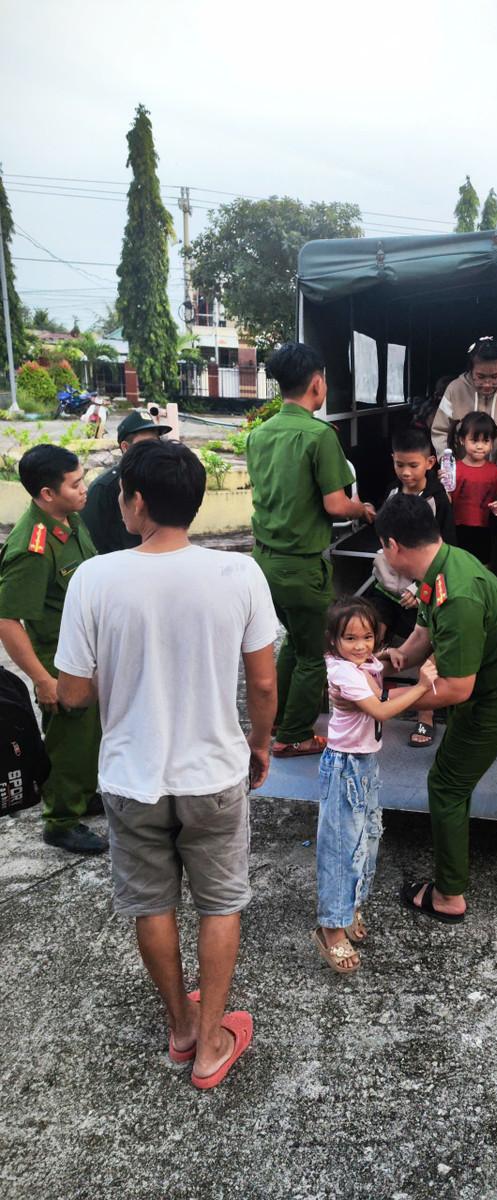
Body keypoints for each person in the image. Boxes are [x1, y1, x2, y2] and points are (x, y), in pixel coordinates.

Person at [55, 439, 279, 1089]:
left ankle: (180, 1027)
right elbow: (263, 686)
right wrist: (260, 745)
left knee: (150, 904)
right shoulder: (239, 575)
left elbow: (72, 693)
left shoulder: (94, 578)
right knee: (219, 906)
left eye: (122, 491)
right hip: (213, 773)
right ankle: (212, 1046)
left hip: (131, 778)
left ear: (140, 502)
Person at [375, 494, 497, 923]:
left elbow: (454, 689)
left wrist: (381, 706)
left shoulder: (458, 594)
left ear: (393, 545)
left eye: (381, 546)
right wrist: (397, 658)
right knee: (454, 776)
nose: (382, 554)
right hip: (493, 690)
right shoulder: (443, 564)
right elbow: (424, 631)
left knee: (446, 785)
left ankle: (449, 896)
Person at [246, 342, 376, 759]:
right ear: (317, 384)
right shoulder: (318, 435)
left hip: (263, 561)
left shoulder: (259, 434)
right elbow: (336, 505)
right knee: (316, 652)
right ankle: (294, 735)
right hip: (300, 567)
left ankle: (278, 718)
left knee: (293, 642)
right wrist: (363, 509)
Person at [313, 597, 439, 973]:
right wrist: (422, 686)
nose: (361, 646)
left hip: (364, 763)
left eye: (367, 637)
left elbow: (374, 667)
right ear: (332, 641)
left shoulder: (361, 663)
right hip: (344, 768)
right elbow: (382, 708)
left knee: (366, 839)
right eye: (350, 638)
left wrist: (388, 658)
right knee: (340, 848)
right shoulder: (343, 674)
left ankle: (348, 906)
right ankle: (330, 929)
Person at [0, 445, 105, 854]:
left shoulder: (69, 520)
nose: (85, 489)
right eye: (76, 484)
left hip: (86, 649)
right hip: (60, 659)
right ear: (47, 493)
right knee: (70, 737)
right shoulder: (33, 545)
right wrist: (43, 680)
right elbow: (7, 620)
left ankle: (81, 792)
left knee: (92, 732)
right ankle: (60, 819)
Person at [368, 423, 455, 749]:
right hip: (387, 588)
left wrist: (420, 590)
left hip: (422, 591)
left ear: (430, 463)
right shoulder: (391, 494)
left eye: (413, 465)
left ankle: (426, 715)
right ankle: (369, 701)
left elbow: (446, 551)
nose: (405, 472)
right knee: (368, 632)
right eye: (399, 464)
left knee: (428, 642)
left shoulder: (438, 500)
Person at [431, 337, 497, 471]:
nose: (487, 384)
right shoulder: (455, 389)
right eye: (480, 377)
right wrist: (447, 461)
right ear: (470, 370)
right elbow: (440, 430)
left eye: (495, 377)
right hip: (461, 472)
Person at [82, 409, 171, 553]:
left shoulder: (161, 480)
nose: (154, 450)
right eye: (146, 444)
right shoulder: (104, 488)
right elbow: (90, 543)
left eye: (156, 442)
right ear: (125, 447)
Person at [446, 410, 497, 565]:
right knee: (457, 565)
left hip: (484, 529)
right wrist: (442, 484)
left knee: (483, 567)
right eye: (474, 440)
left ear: (492, 443)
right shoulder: (453, 470)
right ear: (462, 440)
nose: (480, 446)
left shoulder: (495, 472)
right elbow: (446, 501)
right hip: (457, 528)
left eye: (485, 441)